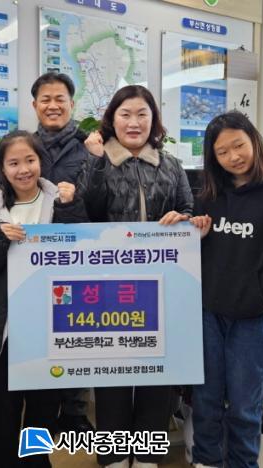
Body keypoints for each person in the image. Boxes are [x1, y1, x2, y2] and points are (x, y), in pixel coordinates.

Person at [80, 84, 194, 468]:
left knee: (156, 370)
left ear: (153, 120)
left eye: (142, 114)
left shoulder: (170, 164)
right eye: (125, 114)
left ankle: (145, 454)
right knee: (111, 371)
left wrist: (183, 217)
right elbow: (87, 210)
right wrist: (97, 161)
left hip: (162, 284)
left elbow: (188, 208)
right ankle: (113, 455)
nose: (134, 122)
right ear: (112, 119)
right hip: (109, 284)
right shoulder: (96, 159)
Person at [189, 111, 263, 468]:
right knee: (206, 400)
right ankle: (206, 461)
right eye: (222, 152)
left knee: (244, 408)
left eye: (238, 145)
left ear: (254, 141)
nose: (233, 156)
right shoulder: (210, 193)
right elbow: (197, 256)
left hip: (253, 321)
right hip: (209, 315)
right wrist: (196, 234)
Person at [0, 130, 88, 467]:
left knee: (44, 407)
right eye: (14, 163)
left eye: (30, 160)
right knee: (2, 408)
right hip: (3, 330)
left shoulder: (61, 200)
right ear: (2, 169)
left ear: (41, 162)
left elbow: (82, 253)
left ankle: (36, 462)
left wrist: (70, 207)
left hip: (50, 327)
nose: (23, 170)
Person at [31, 71, 94, 433]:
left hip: (78, 253)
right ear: (34, 105)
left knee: (76, 332)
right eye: (46, 99)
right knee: (41, 331)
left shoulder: (90, 147)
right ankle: (42, 409)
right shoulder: (23, 146)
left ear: (72, 104)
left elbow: (100, 197)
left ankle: (74, 411)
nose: (53, 105)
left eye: (60, 99)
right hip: (32, 257)